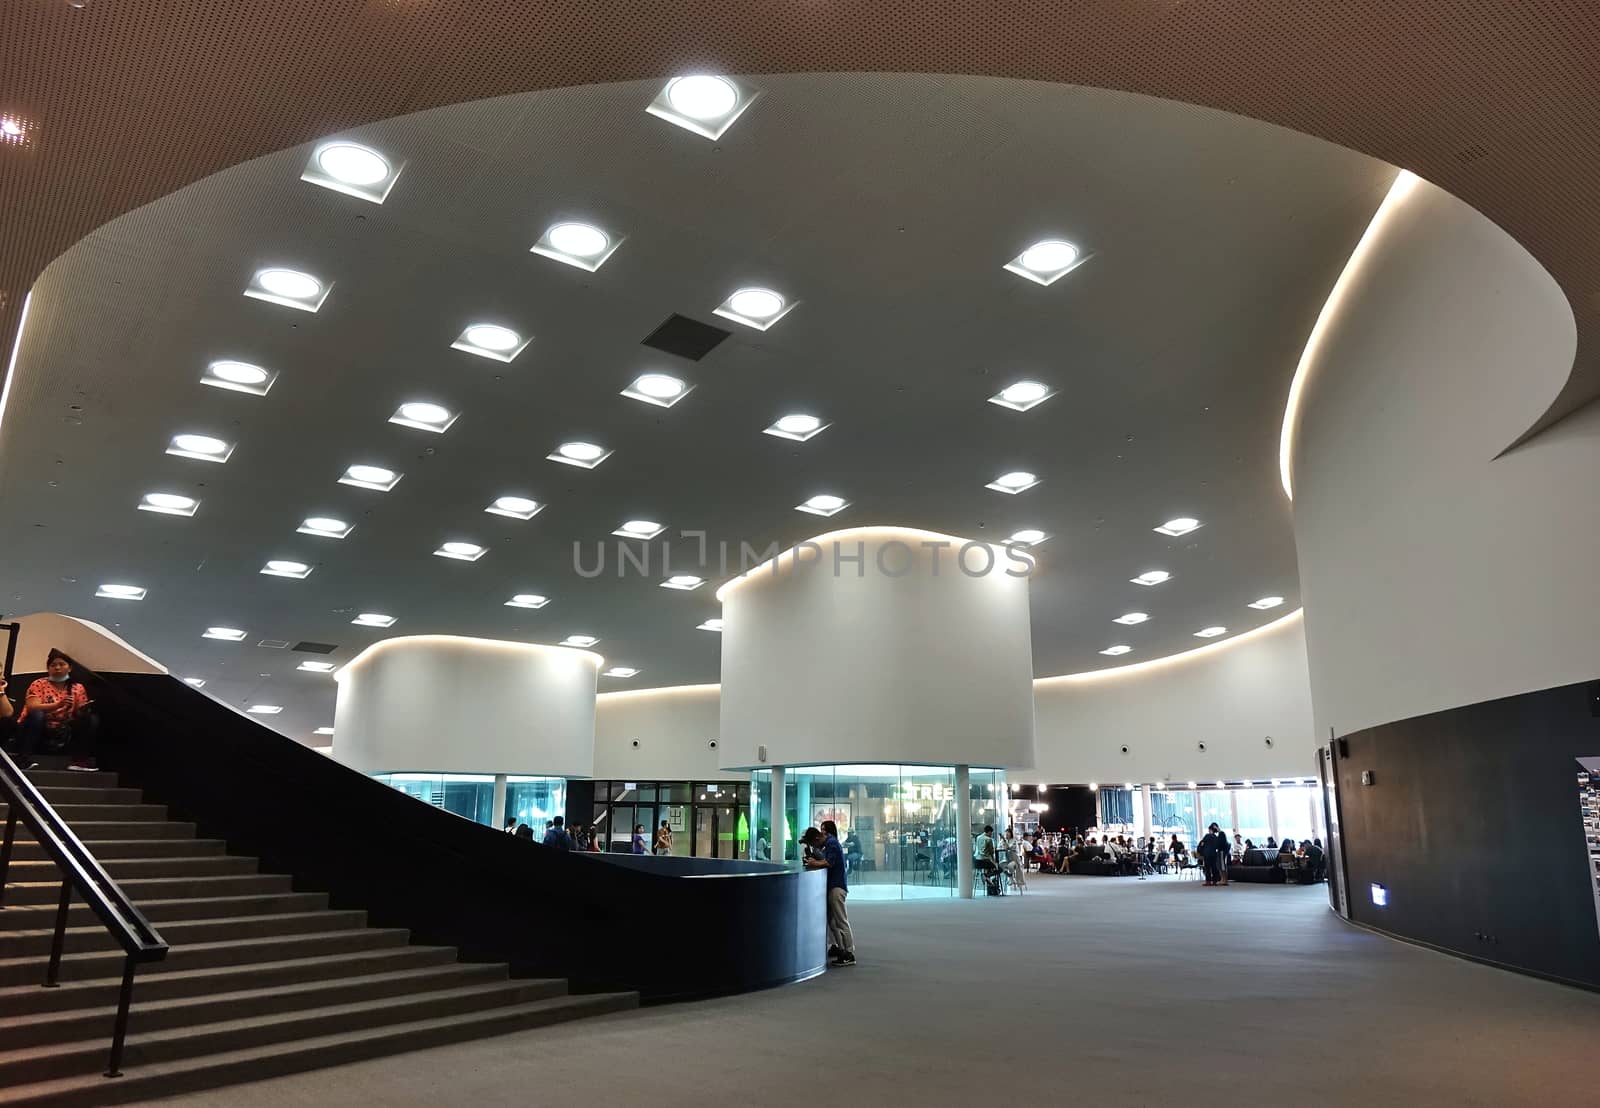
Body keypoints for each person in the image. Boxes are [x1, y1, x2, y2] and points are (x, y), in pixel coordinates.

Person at [16, 650, 97, 771]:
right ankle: (23, 758)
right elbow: (32, 706)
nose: (57, 668)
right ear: (48, 669)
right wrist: (58, 704)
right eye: (53, 665)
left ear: (69, 668)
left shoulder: (77, 688)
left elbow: (78, 713)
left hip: (63, 731)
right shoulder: (39, 684)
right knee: (37, 715)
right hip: (38, 727)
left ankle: (80, 761)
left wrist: (83, 710)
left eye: (62, 664)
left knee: (91, 719)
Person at [805, 819, 854, 965]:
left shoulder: (832, 843)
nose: (815, 847)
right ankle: (841, 949)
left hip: (837, 887)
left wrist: (814, 863)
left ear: (817, 838)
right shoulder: (829, 844)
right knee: (833, 923)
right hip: (833, 886)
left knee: (841, 921)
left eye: (814, 844)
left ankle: (849, 952)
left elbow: (829, 863)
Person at [973, 824, 1000, 895]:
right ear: (989, 832)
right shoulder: (989, 839)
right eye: (991, 833)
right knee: (998, 868)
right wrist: (995, 862)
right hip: (985, 860)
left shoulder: (978, 837)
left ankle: (986, 876)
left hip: (977, 860)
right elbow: (991, 852)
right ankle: (987, 876)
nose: (991, 834)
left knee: (989, 867)